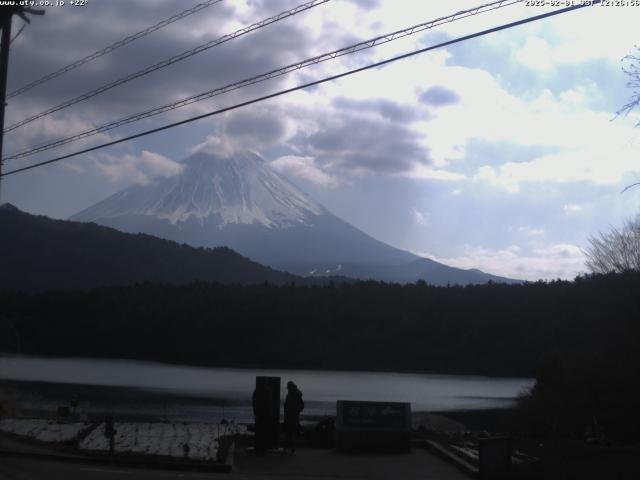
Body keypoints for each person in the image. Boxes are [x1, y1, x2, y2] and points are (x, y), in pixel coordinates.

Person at [283, 381, 304, 455]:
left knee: (288, 433)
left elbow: (287, 406)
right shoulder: (297, 394)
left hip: (290, 416)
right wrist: (297, 411)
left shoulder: (291, 395)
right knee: (291, 433)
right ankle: (291, 450)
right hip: (294, 416)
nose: (288, 389)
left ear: (290, 387)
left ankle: (286, 450)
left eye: (288, 387)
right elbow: (302, 406)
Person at [252, 382, 272, 455]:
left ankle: (258, 449)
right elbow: (269, 404)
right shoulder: (268, 391)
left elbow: (253, 403)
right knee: (264, 432)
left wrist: (255, 413)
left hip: (259, 414)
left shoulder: (256, 391)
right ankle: (263, 449)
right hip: (265, 415)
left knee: (258, 432)